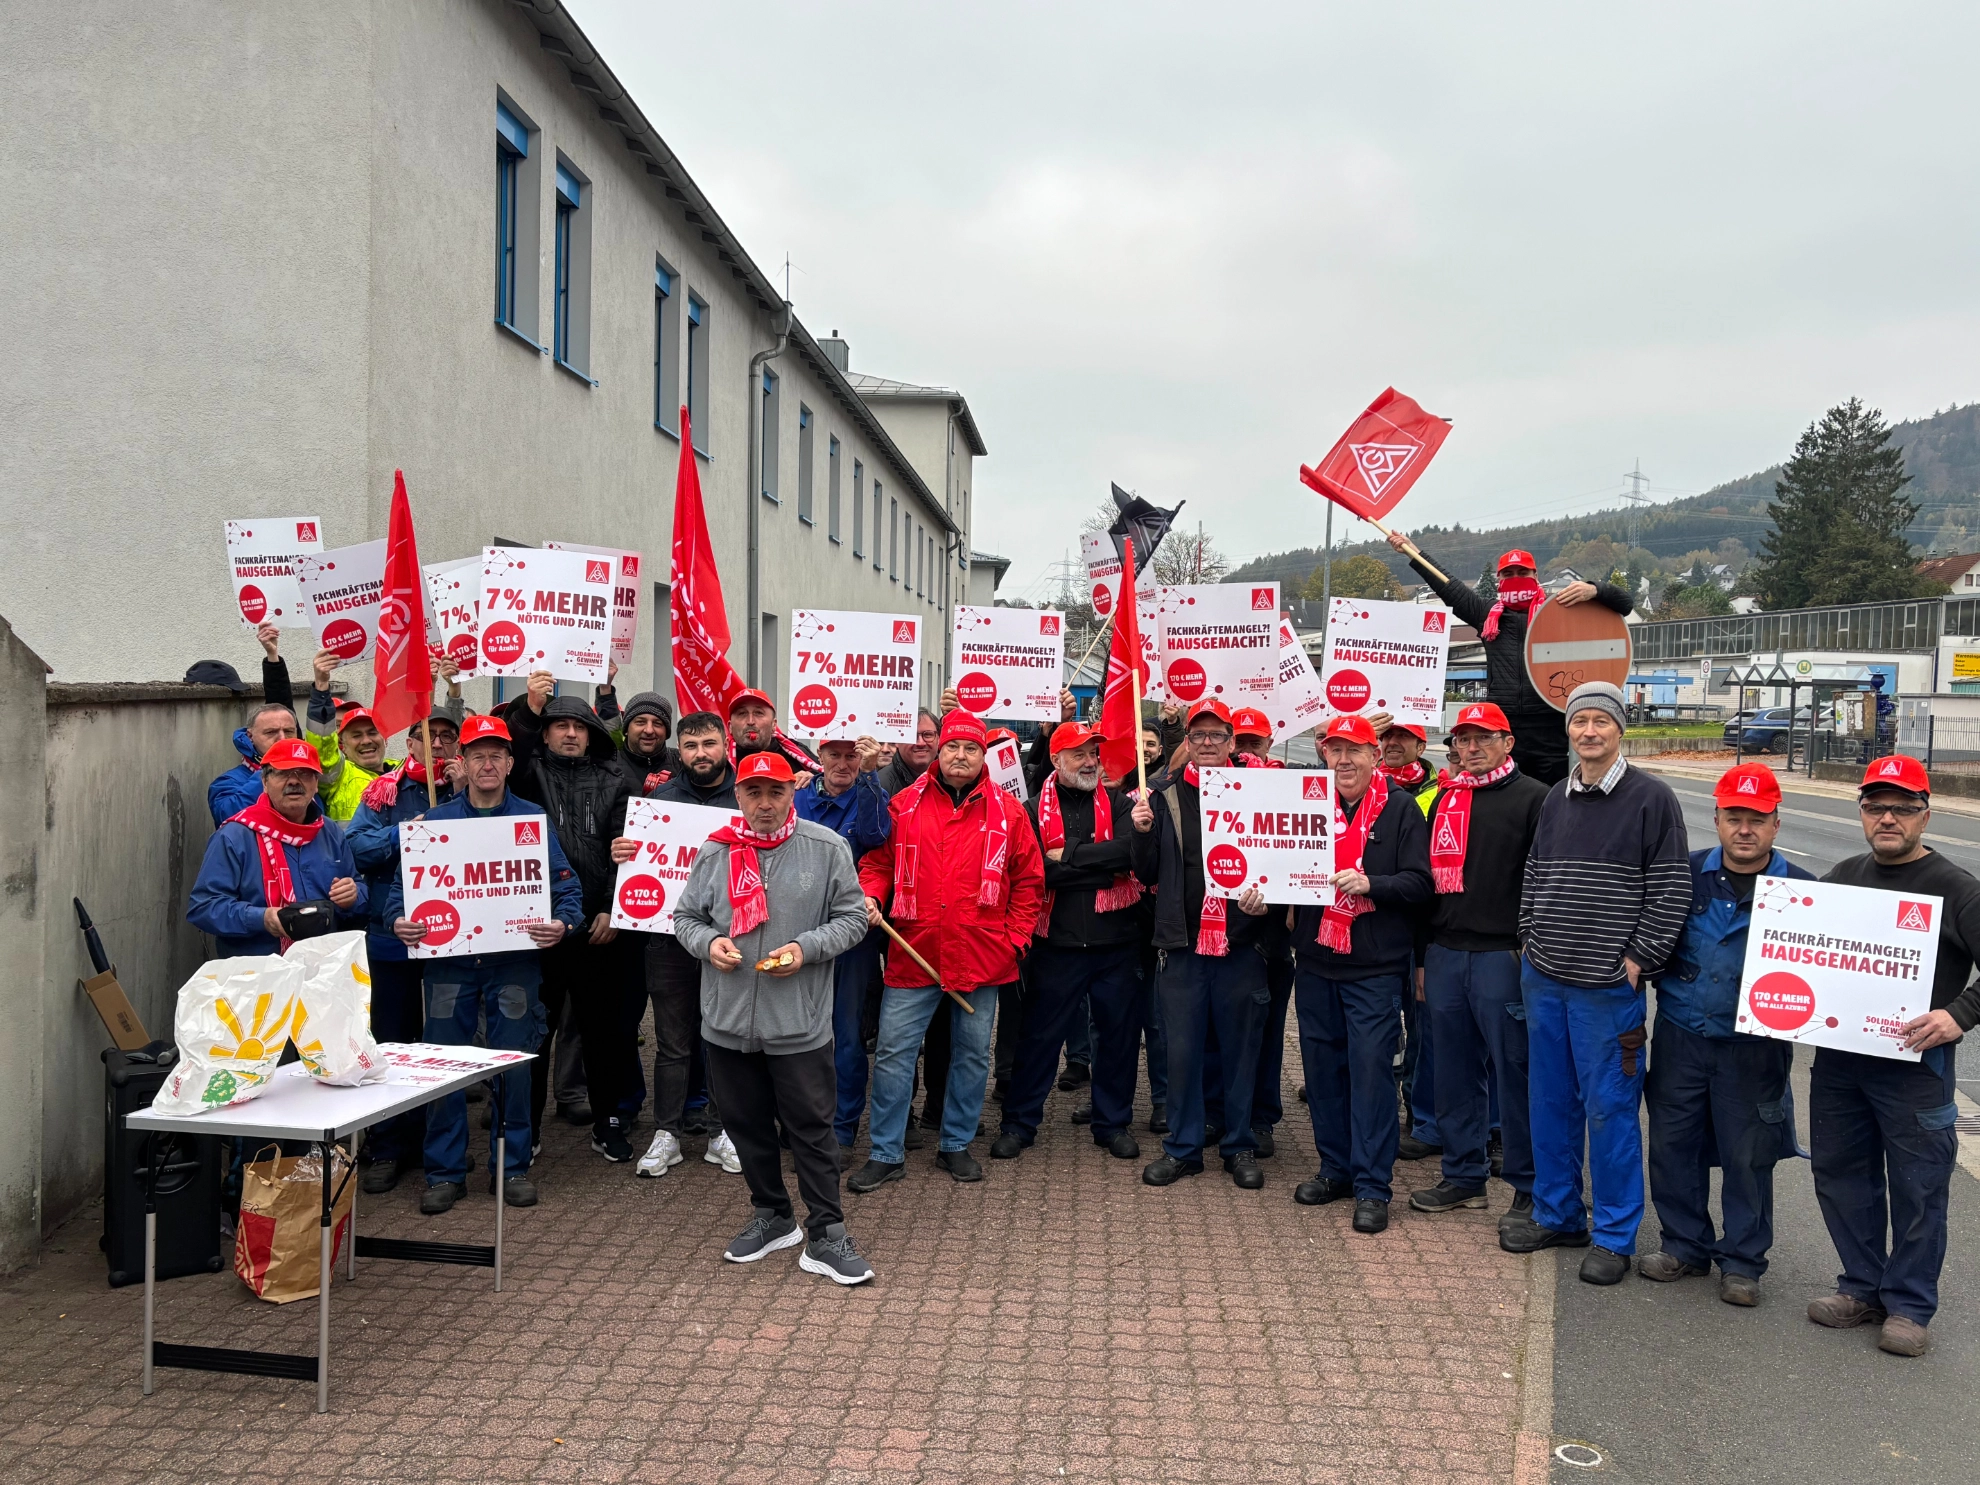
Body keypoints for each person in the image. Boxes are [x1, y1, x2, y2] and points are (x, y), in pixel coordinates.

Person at [1505, 681, 1690, 1284]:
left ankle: (1614, 1235)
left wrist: (1638, 959)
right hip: (1546, 977)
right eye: (1580, 720)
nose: (1589, 731)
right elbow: (1534, 871)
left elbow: (1670, 889)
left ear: (1619, 729)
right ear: (1568, 730)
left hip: (1607, 989)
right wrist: (1529, 937)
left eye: (1600, 722)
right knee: (1549, 1103)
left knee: (1610, 1111)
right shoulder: (1557, 797)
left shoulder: (1651, 799)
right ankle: (1559, 1213)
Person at [671, 750, 876, 1284]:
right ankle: (773, 1214)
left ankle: (827, 1231)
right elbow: (686, 917)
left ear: (793, 792)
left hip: (799, 1021)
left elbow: (854, 919)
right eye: (753, 793)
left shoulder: (826, 847)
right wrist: (709, 941)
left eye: (776, 792)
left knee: (811, 1129)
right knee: (745, 1125)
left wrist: (805, 949)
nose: (764, 804)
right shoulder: (716, 850)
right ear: (737, 795)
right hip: (726, 1020)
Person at [1808, 753, 1980, 1356]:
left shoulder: (1957, 889)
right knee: (1840, 1174)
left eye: (1902, 808)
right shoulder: (1843, 876)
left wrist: (1958, 1015)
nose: (1888, 818)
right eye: (1876, 806)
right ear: (1861, 812)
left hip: (1915, 1068)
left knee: (1918, 1187)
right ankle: (1861, 1286)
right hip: (1839, 1062)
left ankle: (1908, 1305)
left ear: (1925, 817)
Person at [387, 715, 584, 1211]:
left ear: (510, 762)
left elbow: (567, 889)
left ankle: (510, 1165)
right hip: (448, 968)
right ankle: (445, 1173)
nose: (488, 763)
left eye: (497, 754)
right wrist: (398, 922)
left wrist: (563, 923)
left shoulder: (530, 822)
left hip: (513, 966)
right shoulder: (432, 826)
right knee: (445, 1069)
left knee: (512, 1069)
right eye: (478, 755)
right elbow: (398, 894)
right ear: (464, 763)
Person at [849, 710, 1045, 1191]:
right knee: (895, 1055)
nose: (960, 755)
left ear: (984, 756)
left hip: (982, 957)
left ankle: (955, 1144)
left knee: (973, 1055)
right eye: (953, 746)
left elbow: (1029, 883)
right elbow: (877, 863)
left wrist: (1015, 941)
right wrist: (871, 895)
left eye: (971, 748)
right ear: (940, 750)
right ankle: (885, 1151)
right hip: (913, 951)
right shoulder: (904, 804)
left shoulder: (1008, 811)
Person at [1639, 762, 1811, 1304]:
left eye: (1756, 819)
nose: (1744, 829)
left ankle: (1742, 1261)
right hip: (1681, 1036)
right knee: (1673, 1145)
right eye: (1734, 817)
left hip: (1754, 1049)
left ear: (1776, 824)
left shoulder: (1805, 893)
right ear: (1716, 819)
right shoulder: (1684, 876)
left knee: (1748, 1155)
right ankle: (1684, 1245)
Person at [1288, 715, 1433, 1232]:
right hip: (1315, 960)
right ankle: (1335, 1169)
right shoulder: (1306, 803)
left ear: (1376, 755)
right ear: (1324, 755)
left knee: (1371, 1073)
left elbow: (1421, 883)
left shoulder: (1400, 810)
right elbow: (1280, 867)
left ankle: (1373, 1186)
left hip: (1373, 967)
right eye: (1334, 750)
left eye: (1355, 750)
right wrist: (1262, 893)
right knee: (1323, 1071)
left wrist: (1373, 884)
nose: (1344, 760)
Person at [1407, 703, 1547, 1240]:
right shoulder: (1443, 798)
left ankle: (1529, 1184)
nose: (1471, 748)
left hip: (1502, 955)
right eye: (1463, 739)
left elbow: (1543, 883)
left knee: (1517, 1072)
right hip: (1444, 952)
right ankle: (1463, 1175)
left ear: (1507, 743)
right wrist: (1422, 958)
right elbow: (1424, 884)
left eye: (1483, 738)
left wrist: (1528, 952)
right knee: (1453, 1073)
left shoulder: (1534, 799)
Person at [1129, 698, 1281, 1189]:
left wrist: (1269, 903)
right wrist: (1141, 833)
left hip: (1242, 947)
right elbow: (1147, 873)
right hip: (1184, 947)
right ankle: (1183, 1147)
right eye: (1199, 737)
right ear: (1188, 744)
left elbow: (1285, 865)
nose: (1208, 744)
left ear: (1233, 742)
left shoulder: (1262, 794)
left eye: (1218, 736)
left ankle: (1238, 1146)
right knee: (1182, 1053)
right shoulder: (1163, 795)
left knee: (1241, 1052)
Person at [994, 722, 1147, 1163]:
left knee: (1117, 1040)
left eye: (1093, 753)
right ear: (1056, 760)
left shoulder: (1120, 801)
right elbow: (1036, 870)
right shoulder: (1027, 809)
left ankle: (1112, 1124)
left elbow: (1129, 855)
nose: (1089, 761)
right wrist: (1098, 868)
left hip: (1115, 942)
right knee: (1038, 1038)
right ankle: (1019, 1123)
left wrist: (1071, 856)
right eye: (1078, 754)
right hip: (1054, 945)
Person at [506, 674, 638, 1165]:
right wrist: (531, 704)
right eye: (558, 725)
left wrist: (610, 907)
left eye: (578, 726)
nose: (568, 733)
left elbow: (626, 849)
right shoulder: (524, 771)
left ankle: (607, 1124)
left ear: (590, 734)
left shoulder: (615, 778)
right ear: (544, 733)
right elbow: (511, 742)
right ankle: (528, 1129)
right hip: (537, 929)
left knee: (602, 1034)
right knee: (534, 1035)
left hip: (598, 929)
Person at [1386, 537, 1633, 785]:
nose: (1516, 577)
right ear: (1499, 580)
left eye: (1522, 572)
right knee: (1508, 802)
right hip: (1503, 729)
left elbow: (1624, 604)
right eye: (1509, 573)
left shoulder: (1559, 612)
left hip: (1551, 729)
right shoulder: (1487, 614)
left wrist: (1595, 589)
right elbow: (1448, 586)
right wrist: (1413, 552)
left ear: (1535, 575)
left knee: (1552, 802)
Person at [618, 709, 742, 1177]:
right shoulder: (658, 800)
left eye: (708, 744)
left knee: (720, 1039)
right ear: (680, 750)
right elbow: (640, 867)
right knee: (672, 1043)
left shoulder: (745, 797)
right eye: (690, 746)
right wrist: (623, 852)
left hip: (731, 938)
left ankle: (719, 1131)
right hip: (669, 941)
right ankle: (666, 1133)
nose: (700, 754)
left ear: (723, 744)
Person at [345, 712, 464, 1193]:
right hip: (392, 941)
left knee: (440, 1047)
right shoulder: (384, 792)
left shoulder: (468, 789)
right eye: (426, 736)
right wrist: (409, 835)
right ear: (410, 743)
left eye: (445, 737)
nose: (435, 744)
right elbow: (358, 847)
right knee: (392, 1044)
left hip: (451, 942)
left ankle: (439, 1146)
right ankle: (391, 1146)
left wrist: (456, 800)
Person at [794, 736, 893, 1150]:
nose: (843, 763)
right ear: (819, 756)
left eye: (851, 755)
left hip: (852, 936)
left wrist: (870, 777)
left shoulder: (874, 793)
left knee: (847, 1035)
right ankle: (801, 1122)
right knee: (796, 1032)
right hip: (797, 932)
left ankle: (841, 1129)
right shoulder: (797, 796)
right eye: (834, 754)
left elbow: (875, 839)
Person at [188, 738, 365, 956]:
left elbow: (359, 888)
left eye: (304, 773)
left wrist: (354, 895)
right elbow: (203, 908)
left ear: (316, 783)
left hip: (323, 968)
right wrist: (262, 918)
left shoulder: (330, 832)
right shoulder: (234, 836)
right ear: (264, 782)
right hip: (257, 974)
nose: (294, 781)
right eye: (283, 773)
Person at [876, 709, 940, 794]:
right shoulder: (880, 786)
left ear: (939, 739)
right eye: (912, 736)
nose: (920, 743)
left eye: (928, 735)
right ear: (897, 742)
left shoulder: (952, 780)